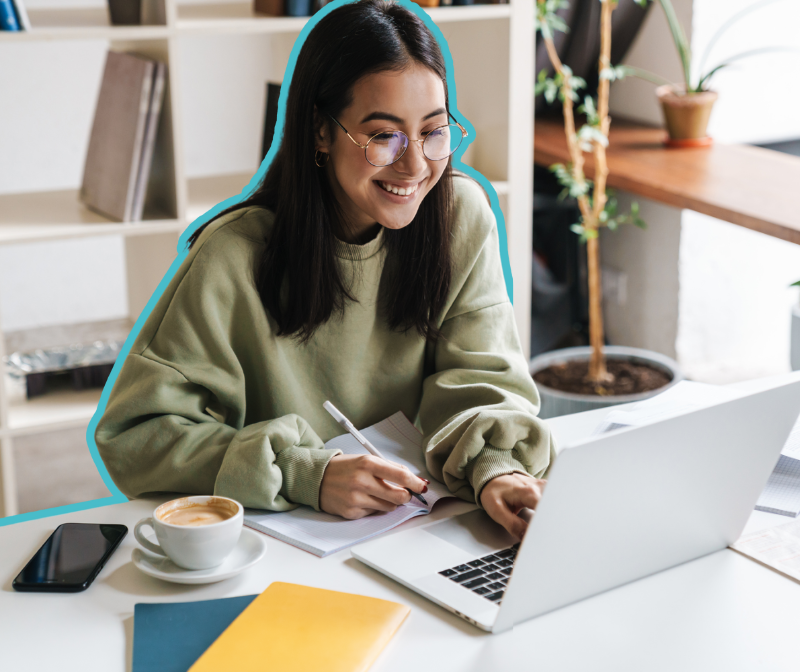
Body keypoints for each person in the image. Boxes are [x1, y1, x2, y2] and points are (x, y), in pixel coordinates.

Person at [95, 0, 556, 540]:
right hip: (281, 549)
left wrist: (496, 468)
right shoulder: (232, 255)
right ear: (320, 131)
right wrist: (304, 473)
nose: (415, 166)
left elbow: (482, 382)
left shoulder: (462, 217)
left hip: (427, 531)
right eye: (384, 136)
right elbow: (136, 436)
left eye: (433, 131)